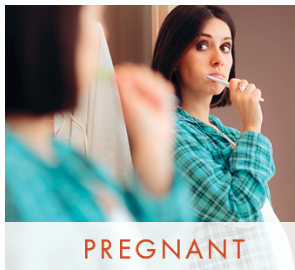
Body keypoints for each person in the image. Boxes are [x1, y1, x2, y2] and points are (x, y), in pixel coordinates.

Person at [5, 5, 194, 222]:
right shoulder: (11, 179)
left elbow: (155, 247)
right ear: (42, 29)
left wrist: (153, 148)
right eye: (94, 17)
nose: (104, 34)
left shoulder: (71, 162)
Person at [152, 5, 276, 222]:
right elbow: (238, 211)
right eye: (202, 45)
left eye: (225, 47)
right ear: (174, 57)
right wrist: (252, 126)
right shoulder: (169, 133)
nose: (219, 59)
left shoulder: (231, 135)